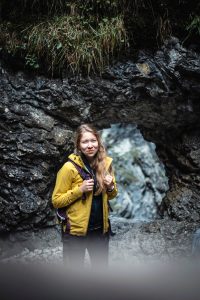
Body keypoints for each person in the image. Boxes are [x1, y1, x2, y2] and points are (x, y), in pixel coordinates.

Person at [52, 123, 118, 270]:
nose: (90, 145)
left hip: (100, 231)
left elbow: (112, 195)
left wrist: (111, 186)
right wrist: (79, 190)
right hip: (76, 232)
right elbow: (56, 201)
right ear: (78, 145)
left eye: (93, 141)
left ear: (98, 142)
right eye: (85, 142)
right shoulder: (68, 168)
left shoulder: (105, 164)